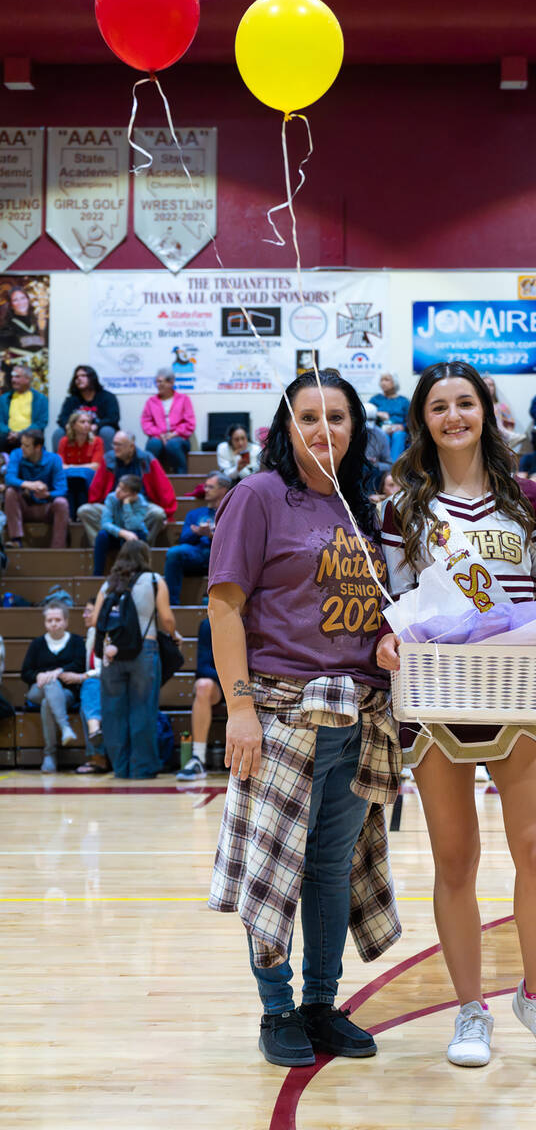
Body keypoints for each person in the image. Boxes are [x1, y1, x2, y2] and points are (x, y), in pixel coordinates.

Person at [378, 361, 536, 1074]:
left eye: (465, 402)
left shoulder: (528, 496)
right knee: (455, 860)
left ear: (487, 411)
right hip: (440, 700)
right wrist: (385, 641)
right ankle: (471, 1008)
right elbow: (397, 603)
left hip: (523, 691)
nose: (454, 415)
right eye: (440, 406)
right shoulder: (403, 505)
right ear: (423, 419)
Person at [207, 368, 400, 1069]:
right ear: (286, 429)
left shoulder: (362, 509)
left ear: (357, 429)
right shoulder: (258, 497)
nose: (325, 430)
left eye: (338, 418)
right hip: (283, 714)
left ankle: (321, 1004)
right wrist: (240, 708)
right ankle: (276, 1008)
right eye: (310, 417)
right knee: (275, 869)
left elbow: (376, 616)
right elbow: (224, 606)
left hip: (360, 719)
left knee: (329, 870)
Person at [92, 539, 179, 779]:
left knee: (113, 712)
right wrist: (174, 635)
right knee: (143, 711)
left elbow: (95, 619)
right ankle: (142, 769)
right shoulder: (154, 581)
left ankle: (121, 769)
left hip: (113, 653)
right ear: (145, 557)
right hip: (145, 649)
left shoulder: (109, 584)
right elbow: (167, 619)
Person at [20, 600, 86, 773]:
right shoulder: (37, 644)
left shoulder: (77, 641)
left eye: (58, 619)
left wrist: (58, 672)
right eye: (50, 620)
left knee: (47, 704)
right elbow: (25, 672)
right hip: (37, 691)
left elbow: (80, 665)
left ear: (66, 621)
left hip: (67, 693)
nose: (54, 623)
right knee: (49, 684)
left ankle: (50, 754)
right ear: (45, 623)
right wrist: (38, 675)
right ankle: (65, 728)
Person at [78, 430, 176, 545]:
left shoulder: (147, 459)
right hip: (113, 506)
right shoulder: (108, 459)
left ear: (131, 446)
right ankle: (103, 545)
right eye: (113, 444)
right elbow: (96, 488)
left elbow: (163, 488)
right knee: (84, 511)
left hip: (139, 506)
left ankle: (142, 547)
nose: (115, 448)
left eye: (119, 444)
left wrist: (168, 516)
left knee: (158, 514)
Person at [164, 472, 231, 605]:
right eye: (205, 486)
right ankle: (172, 604)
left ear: (223, 490)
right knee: (174, 553)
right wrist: (198, 533)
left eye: (210, 487)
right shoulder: (195, 514)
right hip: (199, 555)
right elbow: (183, 539)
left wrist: (212, 536)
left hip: (222, 557)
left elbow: (235, 542)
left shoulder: (232, 512)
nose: (205, 490)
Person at [3, 428, 68, 548]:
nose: (22, 447)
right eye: (21, 443)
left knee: (62, 503)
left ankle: (57, 548)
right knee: (10, 492)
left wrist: (47, 494)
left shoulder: (54, 459)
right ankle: (16, 540)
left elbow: (63, 489)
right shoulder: (16, 454)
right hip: (25, 506)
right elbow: (9, 478)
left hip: (46, 507)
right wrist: (29, 484)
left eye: (26, 445)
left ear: (38, 447)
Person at [175, 617, 222, 782]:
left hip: (249, 682)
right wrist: (230, 677)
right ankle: (198, 758)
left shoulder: (256, 619)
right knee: (202, 686)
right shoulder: (208, 624)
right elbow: (203, 667)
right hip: (222, 682)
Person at [53, 365, 120, 453]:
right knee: (58, 433)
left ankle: (108, 465)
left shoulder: (107, 397)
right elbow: (62, 418)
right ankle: (59, 465)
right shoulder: (72, 399)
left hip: (98, 430)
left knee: (107, 431)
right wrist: (72, 426)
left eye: (83, 376)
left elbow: (113, 418)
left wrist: (96, 426)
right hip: (76, 431)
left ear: (92, 378)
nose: (79, 379)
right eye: (76, 377)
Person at [75, 599, 109, 774]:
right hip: (96, 684)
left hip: (111, 681)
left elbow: (104, 668)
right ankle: (98, 754)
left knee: (89, 685)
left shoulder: (108, 632)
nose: (84, 615)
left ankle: (98, 758)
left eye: (89, 611)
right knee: (85, 705)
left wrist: (83, 676)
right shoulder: (91, 633)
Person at [141, 367, 196, 474]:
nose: (158, 385)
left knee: (173, 445)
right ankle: (148, 478)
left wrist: (174, 434)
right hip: (158, 437)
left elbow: (190, 423)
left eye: (161, 382)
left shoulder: (184, 399)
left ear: (171, 382)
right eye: (156, 382)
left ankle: (181, 478)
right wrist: (160, 434)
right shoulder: (151, 401)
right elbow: (146, 423)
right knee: (153, 444)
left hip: (179, 437)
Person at [92, 474, 150, 576]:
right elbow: (105, 523)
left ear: (134, 494)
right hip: (116, 535)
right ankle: (97, 574)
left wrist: (126, 504)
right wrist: (122, 533)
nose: (118, 491)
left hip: (134, 534)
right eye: (118, 486)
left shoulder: (141, 503)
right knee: (102, 535)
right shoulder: (111, 497)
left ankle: (136, 575)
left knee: (138, 535)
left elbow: (132, 526)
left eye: (124, 490)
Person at [57, 409, 105, 518]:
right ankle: (71, 516)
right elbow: (60, 465)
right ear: (73, 425)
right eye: (82, 422)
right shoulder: (64, 441)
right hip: (70, 479)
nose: (87, 425)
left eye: (89, 422)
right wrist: (77, 469)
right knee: (72, 478)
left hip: (87, 480)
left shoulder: (97, 441)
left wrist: (72, 467)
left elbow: (95, 466)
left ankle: (81, 515)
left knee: (80, 477)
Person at [0, 363, 48, 453]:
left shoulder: (41, 399)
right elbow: (0, 422)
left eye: (17, 377)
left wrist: (20, 434)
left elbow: (41, 423)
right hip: (7, 437)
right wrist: (9, 432)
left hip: (30, 437)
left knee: (32, 441)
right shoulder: (3, 399)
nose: (13, 380)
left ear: (27, 379)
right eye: (12, 377)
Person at [370, 372, 410, 462]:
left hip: (399, 430)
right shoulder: (375, 399)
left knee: (399, 435)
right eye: (381, 380)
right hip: (381, 429)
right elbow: (366, 413)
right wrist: (377, 413)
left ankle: (394, 469)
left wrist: (402, 427)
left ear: (394, 382)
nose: (383, 383)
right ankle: (387, 468)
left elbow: (411, 420)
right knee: (383, 436)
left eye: (386, 380)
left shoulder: (403, 401)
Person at [482, 374, 526, 450]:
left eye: (491, 385)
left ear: (494, 388)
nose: (488, 387)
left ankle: (508, 436)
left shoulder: (502, 406)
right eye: (485, 385)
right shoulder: (478, 406)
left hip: (500, 439)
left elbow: (509, 425)